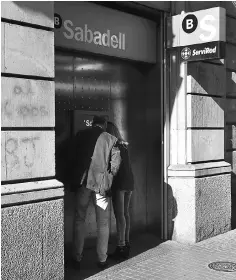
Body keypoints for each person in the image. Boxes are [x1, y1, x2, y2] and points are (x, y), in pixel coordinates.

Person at [72, 116, 121, 270]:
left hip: (83, 183)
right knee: (103, 223)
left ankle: (77, 258)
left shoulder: (81, 135)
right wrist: (109, 177)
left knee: (79, 219)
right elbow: (116, 164)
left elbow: (73, 157)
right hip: (101, 186)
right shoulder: (111, 139)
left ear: (92, 123)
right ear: (104, 124)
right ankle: (102, 259)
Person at [106, 121, 134, 261]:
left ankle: (121, 246)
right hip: (129, 183)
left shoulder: (114, 146)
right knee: (125, 214)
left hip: (119, 185)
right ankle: (126, 243)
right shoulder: (124, 146)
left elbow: (114, 169)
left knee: (119, 215)